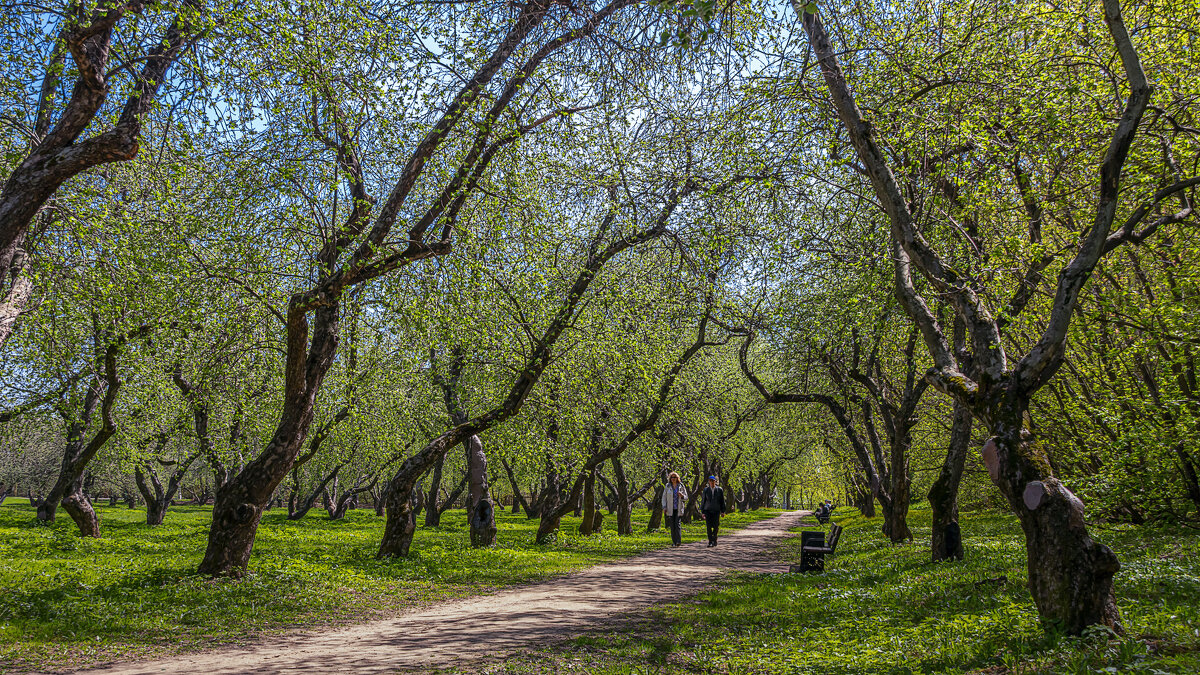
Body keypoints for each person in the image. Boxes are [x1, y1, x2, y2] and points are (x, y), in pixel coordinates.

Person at [662, 471, 687, 546]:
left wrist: (682, 495)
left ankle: (678, 541)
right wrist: (664, 507)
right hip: (670, 508)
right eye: (672, 477)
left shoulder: (681, 485)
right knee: (672, 526)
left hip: (678, 508)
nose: (673, 479)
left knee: (677, 524)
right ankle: (674, 542)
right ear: (670, 478)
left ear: (677, 478)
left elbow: (686, 497)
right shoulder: (668, 486)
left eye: (675, 477)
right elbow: (664, 497)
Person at [700, 475, 725, 547]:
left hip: (716, 510)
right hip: (708, 510)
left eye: (713, 481)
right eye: (710, 481)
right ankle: (710, 541)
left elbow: (722, 501)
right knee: (708, 526)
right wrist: (703, 512)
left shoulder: (719, 489)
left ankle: (715, 539)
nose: (711, 482)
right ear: (708, 482)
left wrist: (722, 511)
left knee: (716, 526)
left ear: (715, 481)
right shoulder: (706, 490)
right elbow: (703, 501)